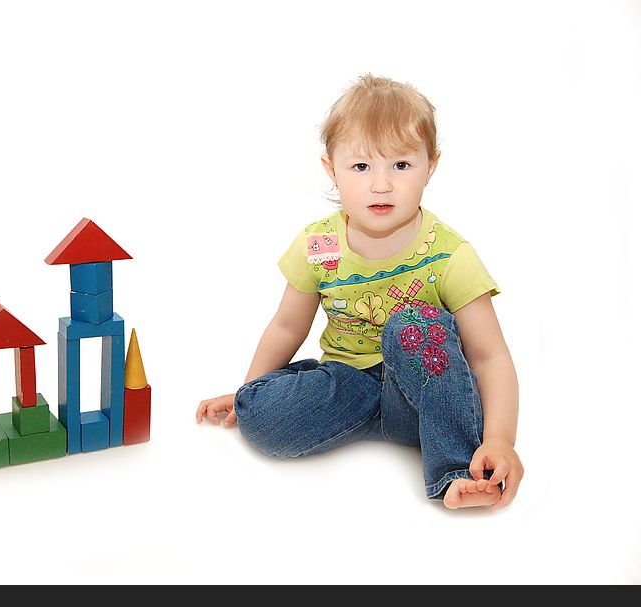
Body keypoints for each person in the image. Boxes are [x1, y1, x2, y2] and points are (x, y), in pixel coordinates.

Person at [196, 74, 523, 511]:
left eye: (401, 165)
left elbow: (490, 356)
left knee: (413, 323)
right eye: (361, 166)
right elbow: (286, 326)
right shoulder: (319, 246)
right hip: (348, 391)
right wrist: (251, 389)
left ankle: (456, 469)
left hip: (422, 398)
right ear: (331, 168)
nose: (381, 184)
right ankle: (272, 396)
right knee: (259, 415)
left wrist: (500, 440)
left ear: (432, 165)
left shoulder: (450, 254)